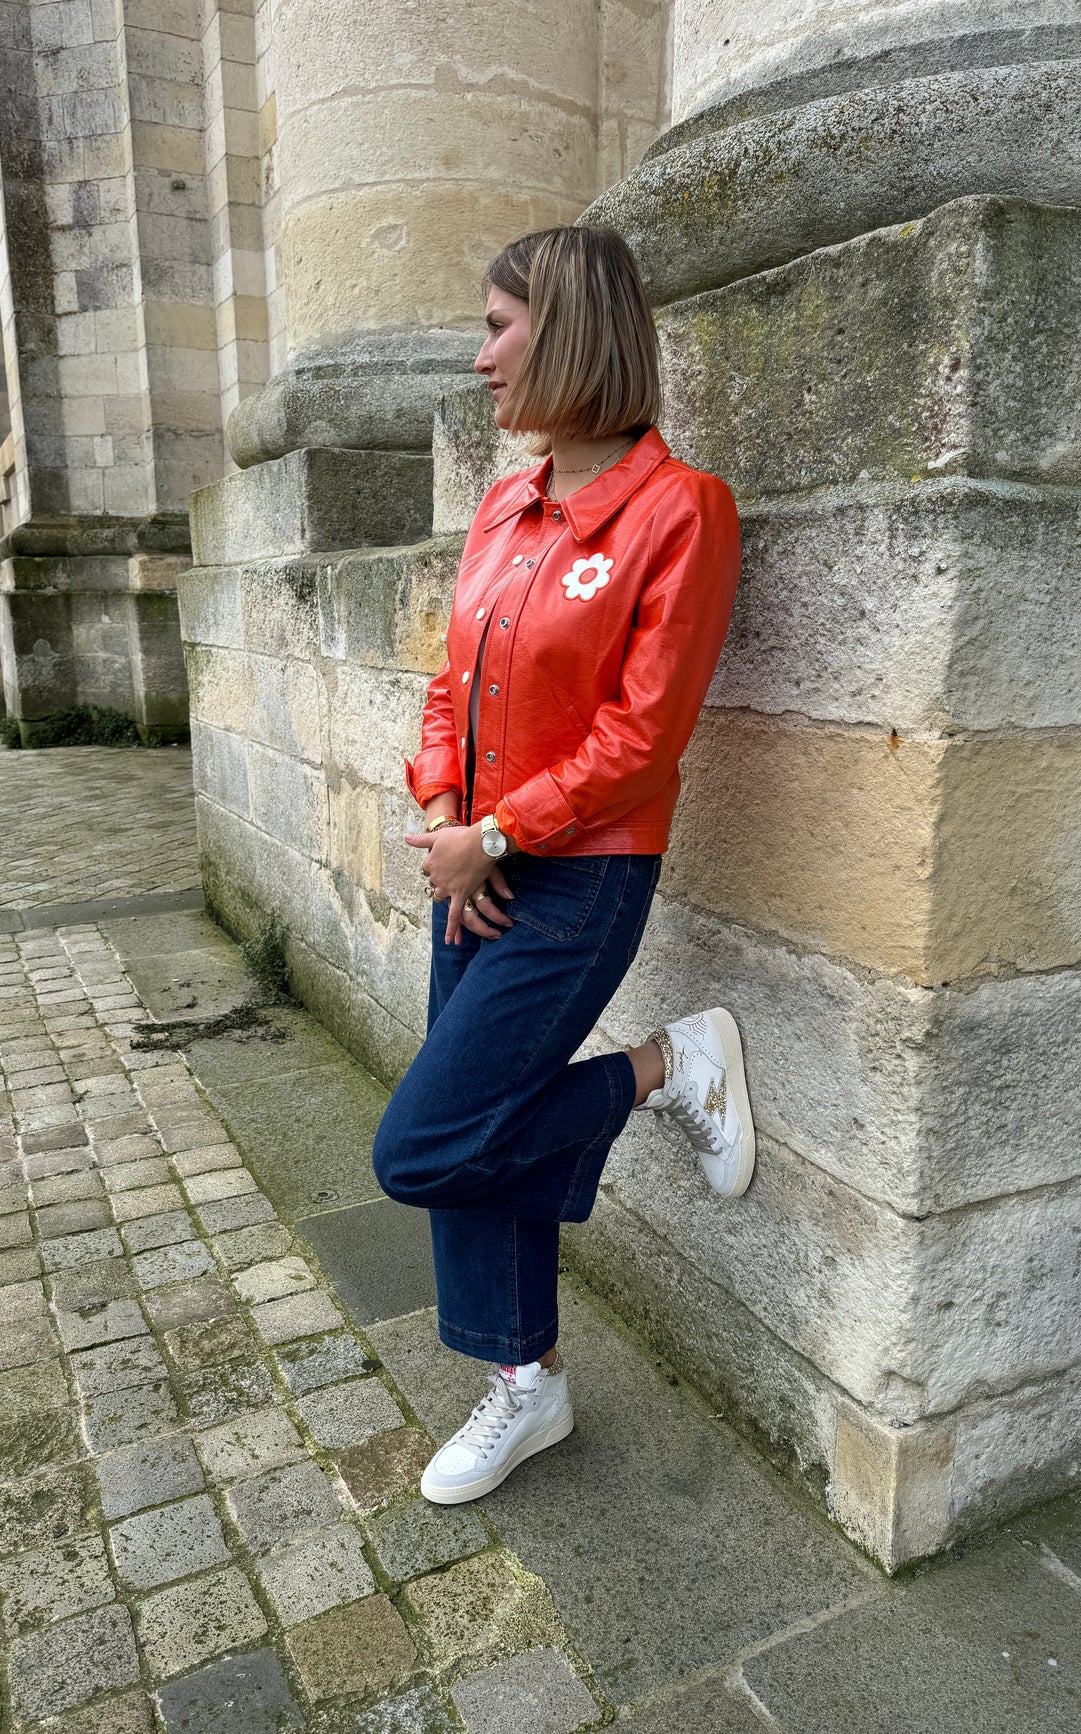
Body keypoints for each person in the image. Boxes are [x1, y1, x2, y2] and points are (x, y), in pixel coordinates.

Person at [372, 223, 753, 1506]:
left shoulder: (680, 511)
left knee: (425, 1145)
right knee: (474, 1139)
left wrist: (497, 834)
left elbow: (644, 737)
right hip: (472, 869)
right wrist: (448, 820)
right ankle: (526, 1383)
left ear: (572, 328)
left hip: (579, 877)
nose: (480, 358)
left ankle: (667, 1067)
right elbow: (450, 688)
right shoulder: (505, 506)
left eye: (498, 328)